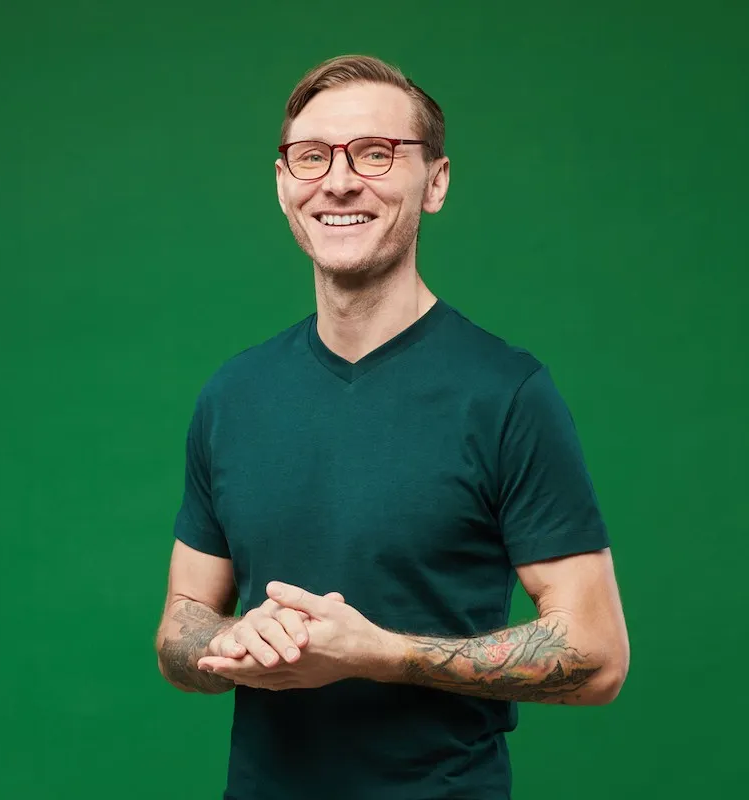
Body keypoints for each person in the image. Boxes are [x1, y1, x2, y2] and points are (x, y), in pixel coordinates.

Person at [154, 54, 630, 800]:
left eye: (376, 154)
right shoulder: (233, 394)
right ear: (282, 184)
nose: (338, 181)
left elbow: (598, 657)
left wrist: (382, 653)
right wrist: (227, 638)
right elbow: (179, 629)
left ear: (435, 182)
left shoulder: (506, 393)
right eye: (310, 157)